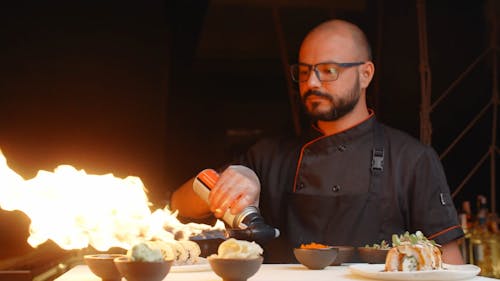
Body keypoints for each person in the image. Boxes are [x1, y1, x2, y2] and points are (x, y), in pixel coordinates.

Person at [170, 19, 464, 264]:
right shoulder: (269, 155)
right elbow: (179, 203)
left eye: (328, 71)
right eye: (304, 71)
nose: (311, 83)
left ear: (365, 74)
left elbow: (450, 262)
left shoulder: (411, 158)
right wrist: (229, 181)